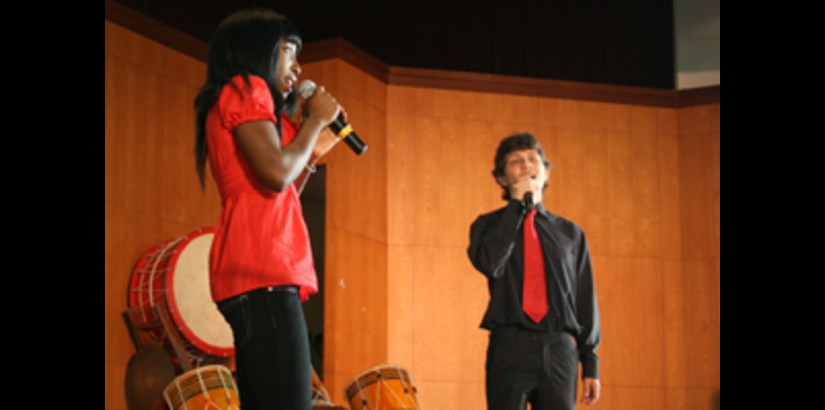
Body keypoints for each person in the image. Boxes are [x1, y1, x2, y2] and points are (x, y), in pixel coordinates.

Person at [193, 8, 342, 410]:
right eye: (288, 51)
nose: (297, 67)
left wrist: (312, 149)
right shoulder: (246, 88)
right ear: (256, 49)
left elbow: (281, 187)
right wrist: (316, 121)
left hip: (251, 267)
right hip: (265, 268)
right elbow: (277, 173)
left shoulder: (243, 101)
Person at [467, 132, 601, 410]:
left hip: (560, 349)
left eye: (533, 159)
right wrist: (516, 207)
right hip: (509, 346)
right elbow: (490, 264)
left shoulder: (571, 233)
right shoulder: (487, 225)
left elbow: (584, 298)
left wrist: (590, 362)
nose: (527, 165)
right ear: (502, 179)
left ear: (545, 172)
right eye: (516, 161)